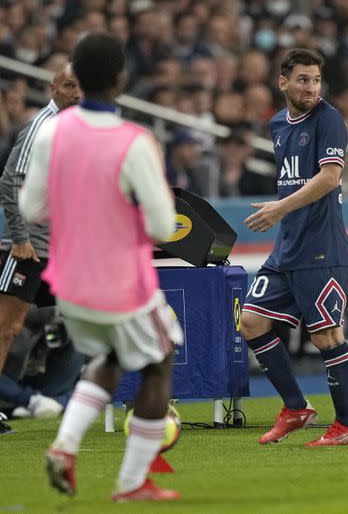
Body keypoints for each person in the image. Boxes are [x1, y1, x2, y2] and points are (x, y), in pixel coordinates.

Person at [19, 33, 182, 502]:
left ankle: (66, 447)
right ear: (119, 79)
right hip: (122, 282)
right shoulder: (134, 141)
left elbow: (31, 208)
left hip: (69, 281)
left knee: (111, 358)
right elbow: (161, 224)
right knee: (158, 361)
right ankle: (132, 483)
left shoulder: (51, 133)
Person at [240, 48, 348, 446]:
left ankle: (347, 425)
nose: (310, 88)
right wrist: (282, 214)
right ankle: (296, 407)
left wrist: (279, 208)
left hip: (321, 250)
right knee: (252, 322)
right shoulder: (278, 124)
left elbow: (329, 179)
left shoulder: (328, 120)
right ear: (284, 82)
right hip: (287, 247)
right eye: (303, 80)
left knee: (327, 336)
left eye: (316, 80)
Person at [0, 63, 80, 434]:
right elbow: (8, 181)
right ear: (53, 89)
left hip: (59, 252)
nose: (77, 93)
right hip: (28, 248)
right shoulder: (41, 127)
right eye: (69, 86)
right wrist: (19, 238)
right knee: (7, 328)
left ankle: (50, 399)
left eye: (82, 87)